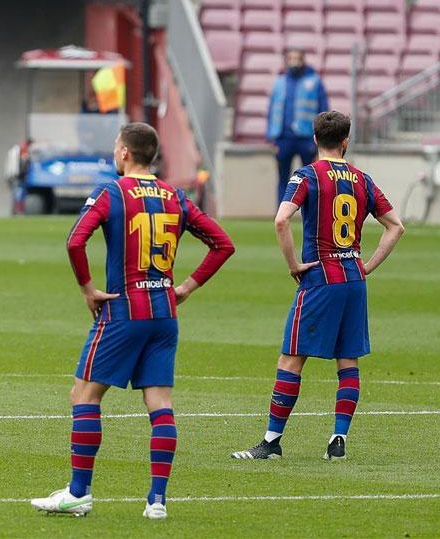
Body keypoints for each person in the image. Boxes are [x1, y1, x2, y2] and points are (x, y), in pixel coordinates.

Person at [31, 122, 235, 520]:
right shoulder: (175, 195)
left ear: (125, 152)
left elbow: (76, 240)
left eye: (115, 147)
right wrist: (187, 288)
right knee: (160, 404)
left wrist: (88, 288)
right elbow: (222, 243)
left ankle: (78, 493)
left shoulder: (112, 191)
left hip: (124, 309)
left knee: (84, 396)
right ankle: (157, 500)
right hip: (164, 312)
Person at [231, 111, 404, 462]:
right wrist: (366, 265)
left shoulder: (307, 176)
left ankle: (271, 442)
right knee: (348, 360)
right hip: (354, 279)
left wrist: (293, 264)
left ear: (314, 139)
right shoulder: (361, 179)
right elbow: (395, 226)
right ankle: (338, 439)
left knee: (291, 359)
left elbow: (282, 220)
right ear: (346, 141)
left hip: (320, 280)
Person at [267, 47, 328, 206]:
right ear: (286, 61)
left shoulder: (314, 81)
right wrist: (271, 137)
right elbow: (272, 110)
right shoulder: (279, 82)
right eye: (291, 59)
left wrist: (320, 138)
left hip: (306, 138)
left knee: (309, 178)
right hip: (283, 138)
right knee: (283, 178)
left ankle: (310, 212)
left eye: (297, 59)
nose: (294, 62)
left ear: (303, 60)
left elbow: (323, 109)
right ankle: (281, 214)